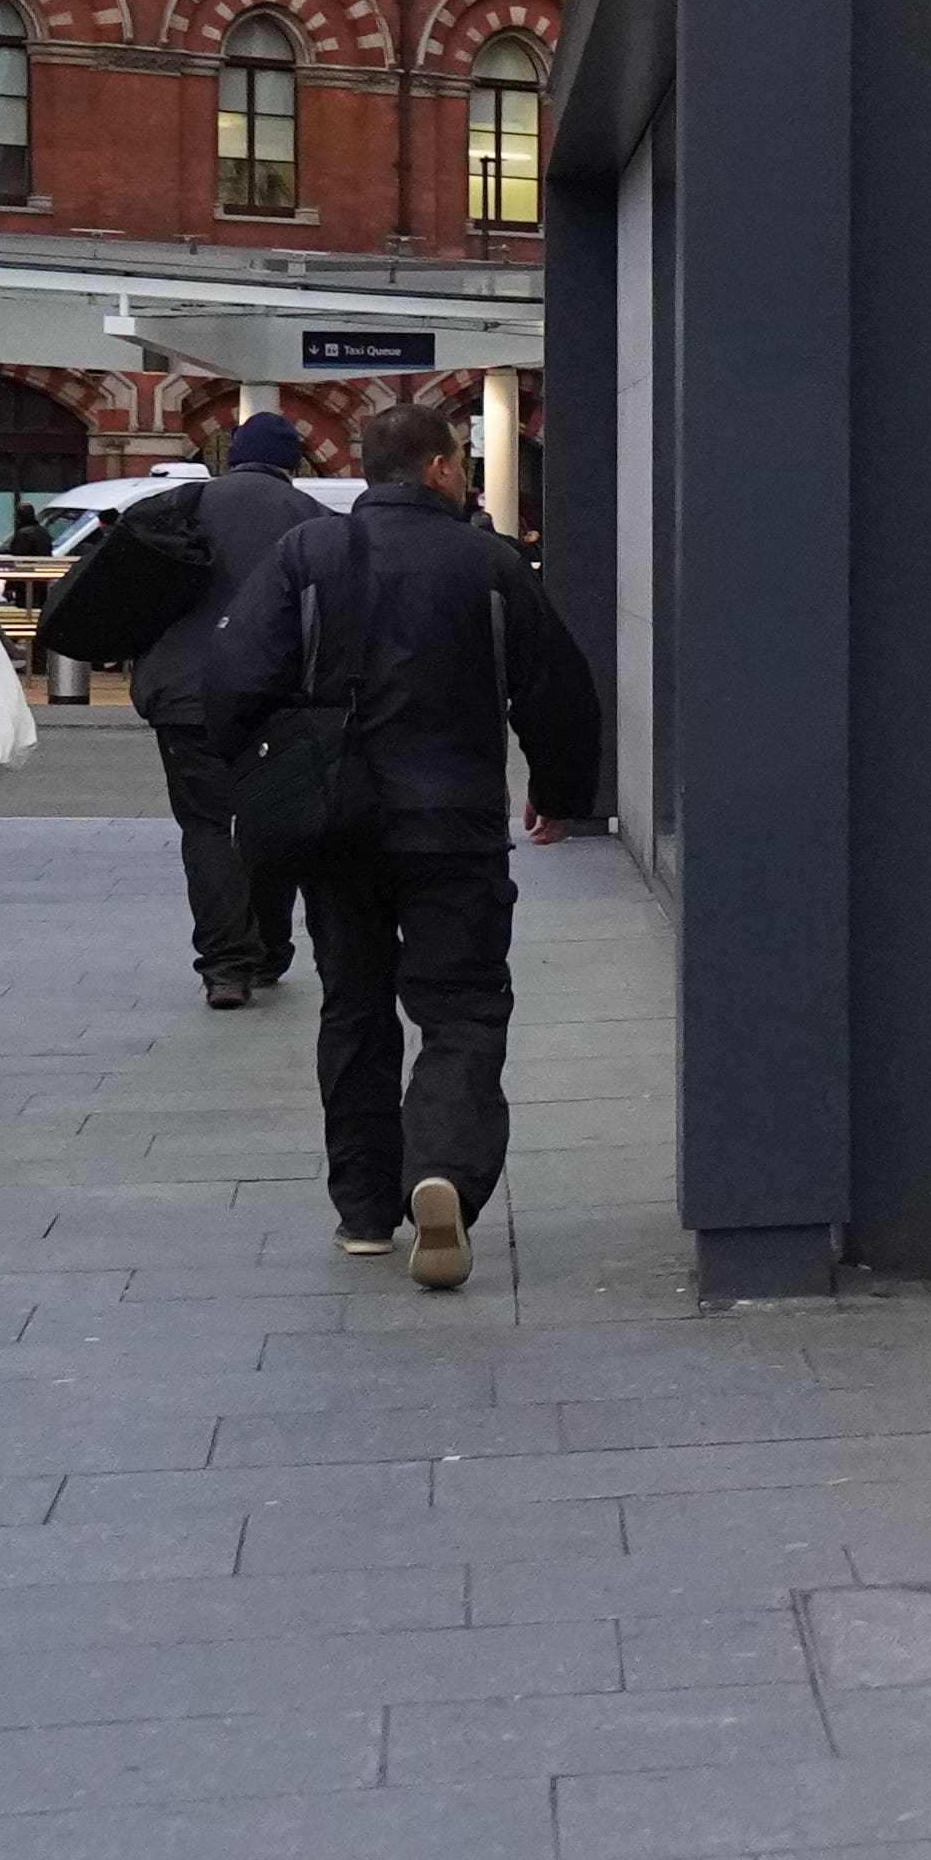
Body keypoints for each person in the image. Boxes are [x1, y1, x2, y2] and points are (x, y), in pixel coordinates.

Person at [216, 401, 600, 1290]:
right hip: (455, 828)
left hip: (338, 825)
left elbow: (237, 679)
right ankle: (444, 1173)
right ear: (435, 469)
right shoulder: (491, 564)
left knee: (352, 1004)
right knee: (462, 1006)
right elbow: (558, 692)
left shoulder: (309, 555)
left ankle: (361, 1211)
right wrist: (560, 793)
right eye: (459, 460)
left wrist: (259, 771)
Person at [129, 415, 335, 1008]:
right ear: (292, 463)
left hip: (184, 696)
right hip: (275, 700)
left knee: (208, 826)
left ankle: (226, 967)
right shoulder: (314, 521)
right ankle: (269, 951)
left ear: (233, 457)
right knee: (273, 821)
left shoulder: (179, 505)